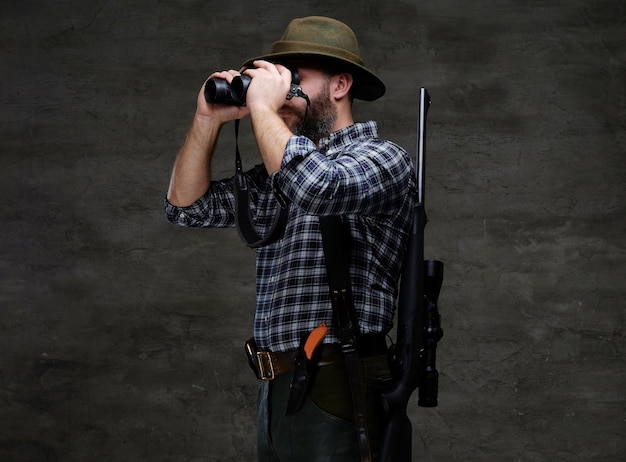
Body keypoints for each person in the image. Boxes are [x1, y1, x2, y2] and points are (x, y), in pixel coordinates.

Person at [165, 16, 415, 462]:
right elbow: (187, 208)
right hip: (277, 385)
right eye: (277, 77)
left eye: (295, 78)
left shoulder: (383, 158)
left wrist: (261, 108)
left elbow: (317, 188)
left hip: (341, 377)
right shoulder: (279, 171)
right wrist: (207, 119)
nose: (281, 88)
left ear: (340, 85)